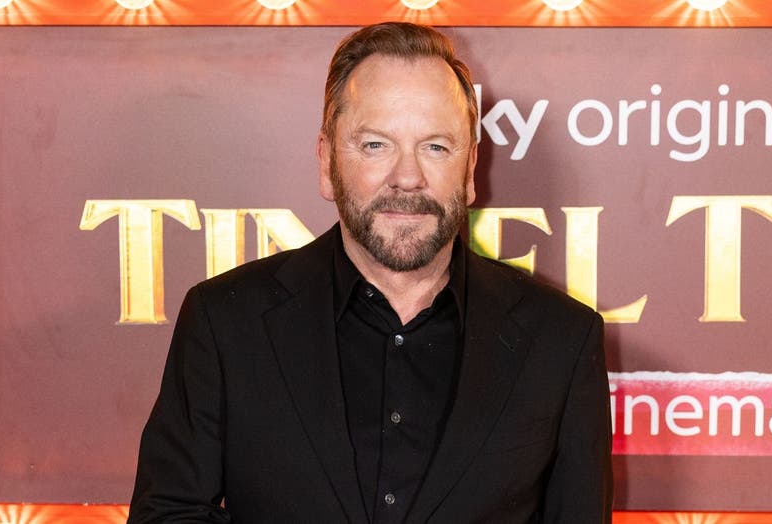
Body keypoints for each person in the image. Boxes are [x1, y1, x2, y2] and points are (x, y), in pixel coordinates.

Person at [128, 22, 612, 524]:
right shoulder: (225, 322)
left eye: (436, 147)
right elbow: (169, 514)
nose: (408, 177)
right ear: (326, 164)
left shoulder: (561, 341)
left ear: (469, 171)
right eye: (376, 145)